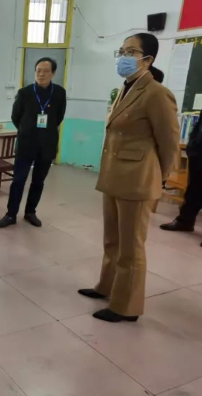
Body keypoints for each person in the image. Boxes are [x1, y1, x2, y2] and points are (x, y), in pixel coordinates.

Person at [79, 33, 179, 323]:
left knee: (131, 247)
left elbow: (169, 143)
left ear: (148, 60)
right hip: (115, 176)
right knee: (112, 240)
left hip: (137, 181)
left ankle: (127, 306)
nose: (123, 57)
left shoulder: (157, 93)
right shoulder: (126, 88)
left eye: (131, 52)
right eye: (121, 51)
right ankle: (106, 286)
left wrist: (158, 178)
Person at [0, 57, 67, 228]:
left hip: (47, 145)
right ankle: (11, 214)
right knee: (18, 180)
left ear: (53, 73)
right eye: (38, 71)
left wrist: (45, 132)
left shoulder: (59, 93)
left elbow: (59, 117)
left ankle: (30, 212)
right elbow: (16, 116)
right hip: (26, 144)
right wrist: (26, 130)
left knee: (38, 181)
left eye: (45, 71)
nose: (41, 74)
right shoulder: (25, 93)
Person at [160, 116, 202, 233]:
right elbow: (198, 126)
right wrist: (192, 145)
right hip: (198, 152)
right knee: (193, 191)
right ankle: (185, 222)